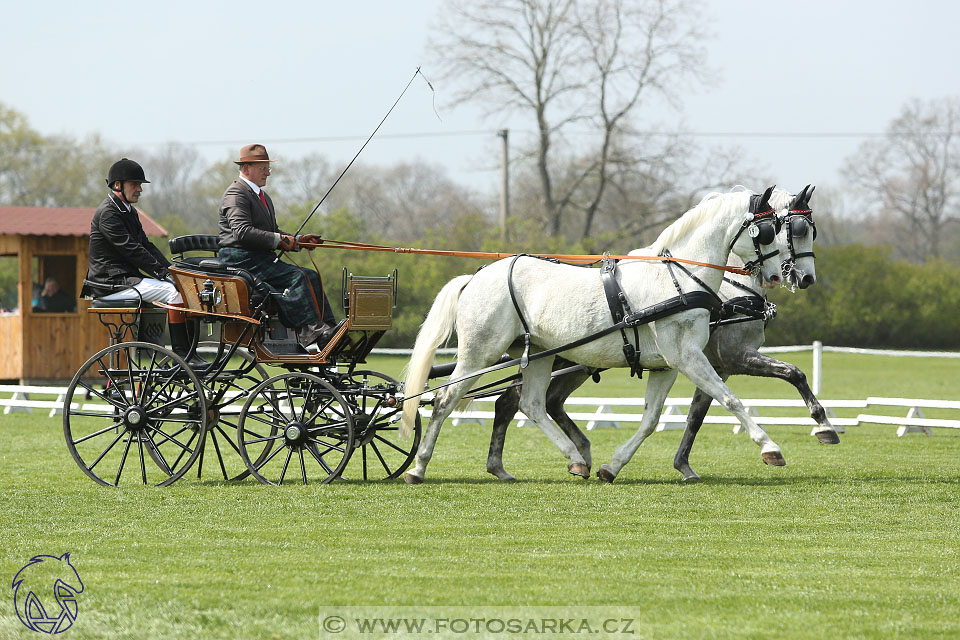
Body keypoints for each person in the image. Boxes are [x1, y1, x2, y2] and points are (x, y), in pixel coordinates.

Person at [81, 158, 205, 367]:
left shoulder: (128, 211)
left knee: (183, 288)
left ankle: (191, 352)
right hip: (111, 283)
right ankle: (182, 355)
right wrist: (163, 275)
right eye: (135, 184)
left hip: (128, 279)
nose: (140, 189)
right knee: (174, 292)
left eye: (140, 185)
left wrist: (170, 270)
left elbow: (147, 245)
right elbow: (132, 250)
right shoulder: (108, 214)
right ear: (118, 185)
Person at [218, 143, 336, 348]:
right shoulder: (236, 193)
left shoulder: (263, 197)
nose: (268, 173)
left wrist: (298, 241)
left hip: (259, 257)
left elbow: (273, 232)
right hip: (241, 258)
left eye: (268, 168)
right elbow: (242, 232)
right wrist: (279, 240)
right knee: (297, 277)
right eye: (263, 168)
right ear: (246, 168)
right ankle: (312, 333)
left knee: (311, 275)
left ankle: (328, 329)